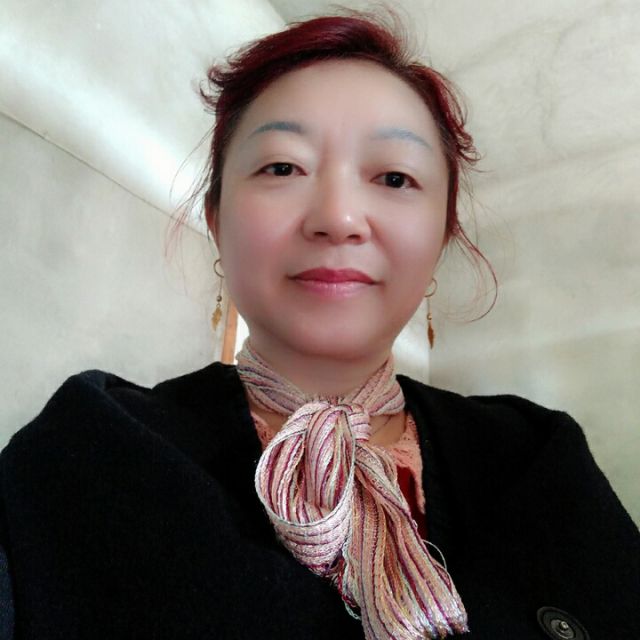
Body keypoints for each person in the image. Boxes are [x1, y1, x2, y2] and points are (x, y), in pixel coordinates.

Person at [0, 9, 638, 640]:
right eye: (282, 167)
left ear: (442, 235)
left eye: (395, 177)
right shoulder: (91, 447)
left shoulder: (535, 457)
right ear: (216, 218)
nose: (338, 217)